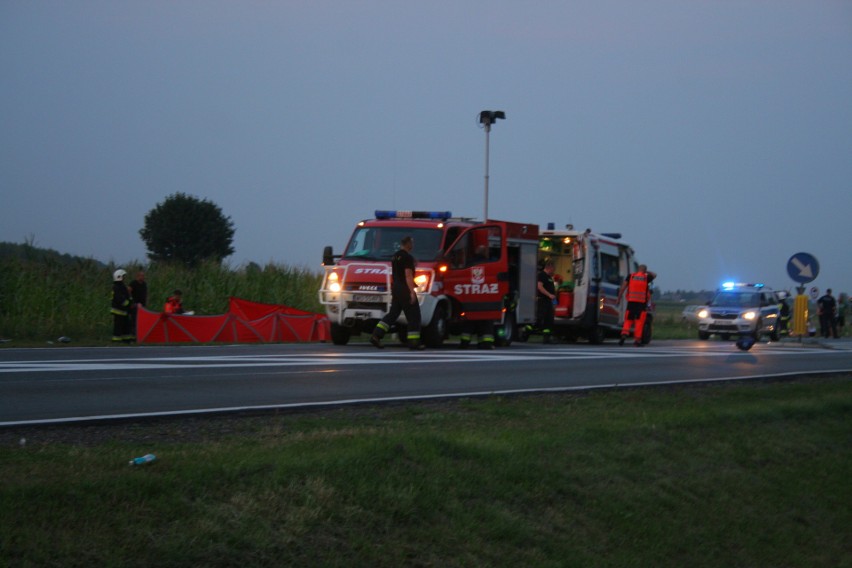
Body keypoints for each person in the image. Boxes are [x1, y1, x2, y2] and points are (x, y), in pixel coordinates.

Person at [370, 236, 424, 350]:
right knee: (414, 316)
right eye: (412, 243)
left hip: (396, 288)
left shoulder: (395, 256)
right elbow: (408, 275)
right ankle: (414, 342)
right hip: (405, 289)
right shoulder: (407, 257)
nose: (413, 245)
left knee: (393, 314)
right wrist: (412, 292)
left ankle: (376, 335)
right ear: (408, 243)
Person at [618, 264, 656, 346]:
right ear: (645, 270)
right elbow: (654, 275)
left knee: (628, 320)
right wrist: (647, 272)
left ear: (638, 269)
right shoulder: (646, 278)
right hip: (641, 304)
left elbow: (623, 288)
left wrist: (619, 298)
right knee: (639, 322)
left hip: (631, 303)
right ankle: (637, 341)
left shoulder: (631, 276)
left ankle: (624, 334)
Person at [535, 261, 557, 344]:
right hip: (542, 300)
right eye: (553, 269)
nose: (554, 271)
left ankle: (546, 337)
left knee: (549, 319)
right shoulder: (542, 275)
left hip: (548, 301)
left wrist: (554, 302)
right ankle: (526, 332)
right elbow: (539, 287)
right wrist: (549, 295)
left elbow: (552, 291)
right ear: (550, 267)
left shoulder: (549, 277)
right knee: (539, 317)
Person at [110, 269, 134, 342]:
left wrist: (130, 301)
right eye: (123, 276)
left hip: (123, 311)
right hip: (118, 310)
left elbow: (126, 296)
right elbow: (119, 299)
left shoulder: (121, 286)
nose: (124, 278)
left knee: (126, 326)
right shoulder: (117, 287)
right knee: (118, 326)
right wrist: (128, 303)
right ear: (119, 277)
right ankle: (116, 339)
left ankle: (126, 339)